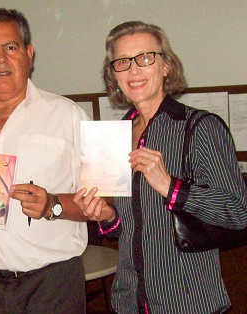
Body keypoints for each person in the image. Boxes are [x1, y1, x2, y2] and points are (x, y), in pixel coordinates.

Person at [0, 8, 113, 313]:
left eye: (10, 47)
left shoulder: (68, 115)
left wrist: (53, 204)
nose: (0, 58)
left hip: (53, 286)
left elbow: (103, 201)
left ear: (28, 53)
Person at [74, 21, 247, 313]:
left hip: (188, 303)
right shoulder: (113, 136)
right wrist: (106, 216)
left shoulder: (200, 128)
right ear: (113, 75)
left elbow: (239, 212)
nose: (133, 71)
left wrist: (170, 186)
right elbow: (129, 228)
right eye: (122, 62)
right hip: (129, 300)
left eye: (145, 58)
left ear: (165, 66)